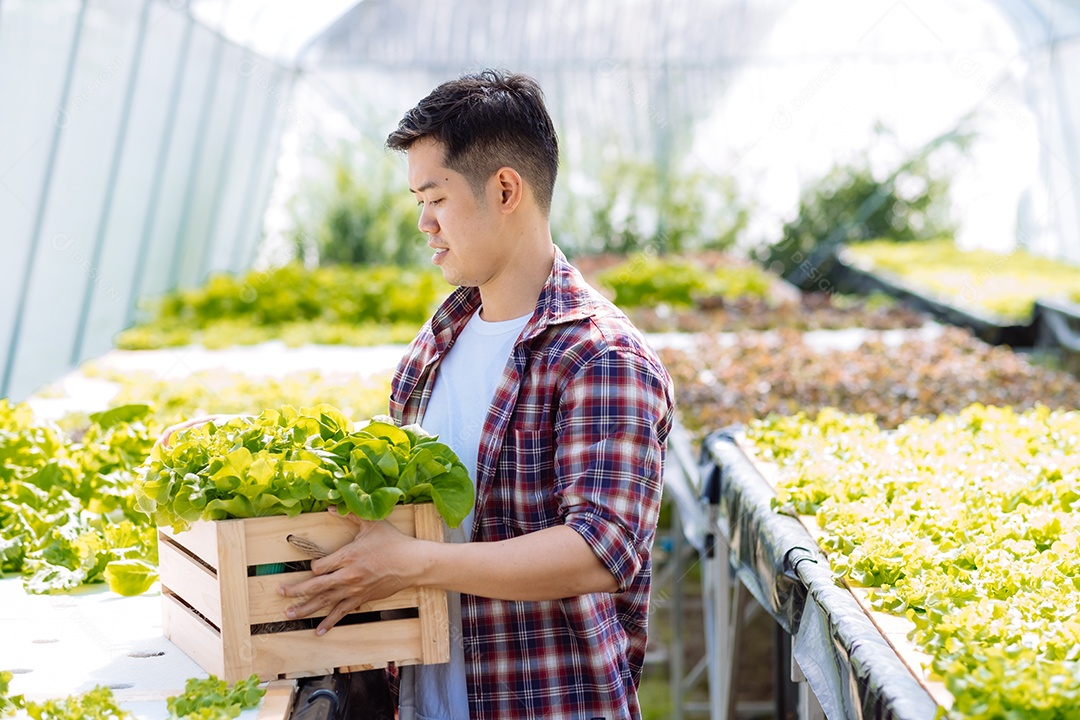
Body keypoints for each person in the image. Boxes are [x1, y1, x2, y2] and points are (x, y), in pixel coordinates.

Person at [168, 69, 673, 720]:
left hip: (543, 703)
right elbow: (399, 498)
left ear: (505, 190)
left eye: (435, 198)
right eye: (417, 201)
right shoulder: (439, 341)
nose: (424, 223)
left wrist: (414, 563)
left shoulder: (599, 356)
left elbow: (601, 549)